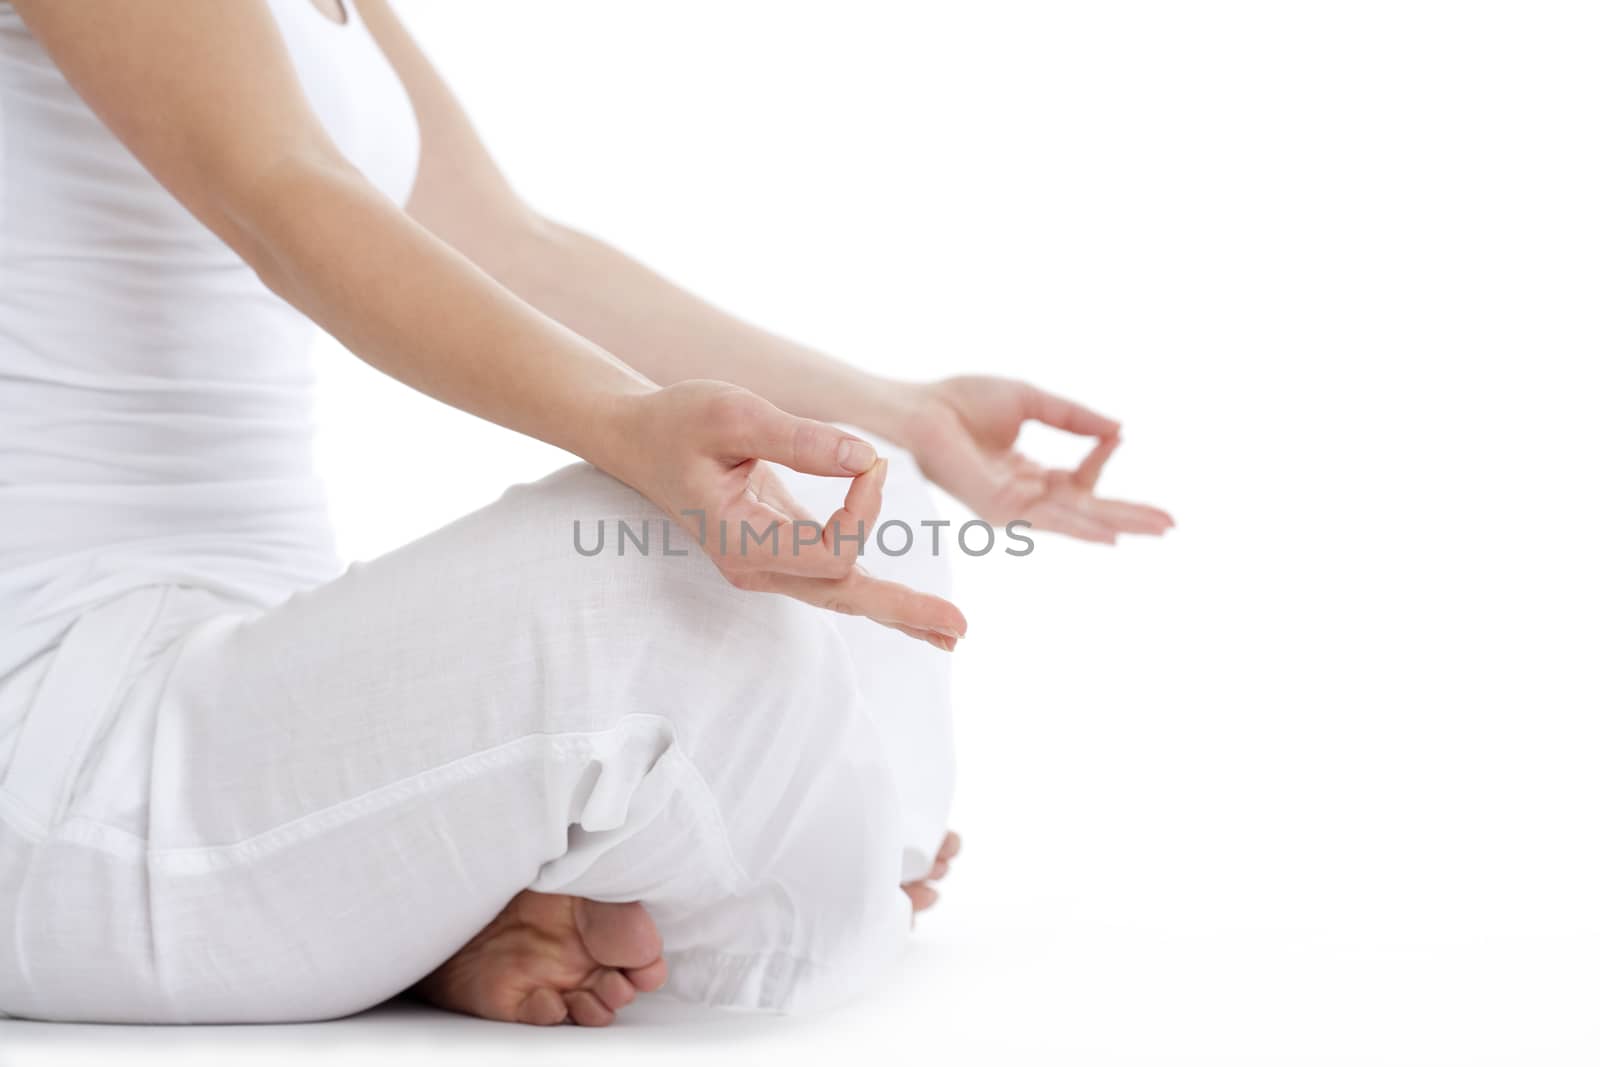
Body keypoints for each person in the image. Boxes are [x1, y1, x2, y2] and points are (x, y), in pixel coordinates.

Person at [0, 0, 1172, 1028]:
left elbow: (512, 246)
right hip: (57, 742)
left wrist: (900, 414)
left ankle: (517, 904)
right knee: (655, 582)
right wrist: (624, 424)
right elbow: (280, 193)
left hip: (244, 659)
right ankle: (804, 879)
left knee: (848, 480)